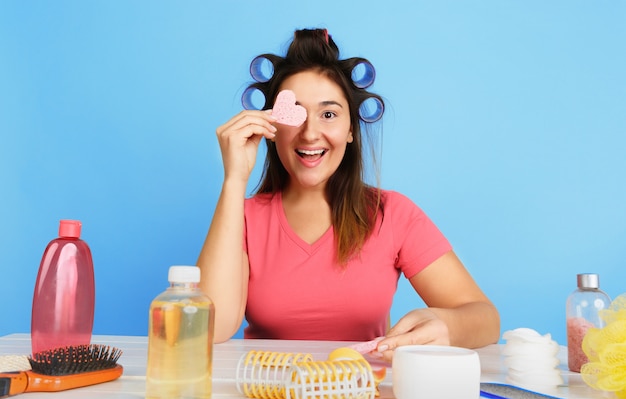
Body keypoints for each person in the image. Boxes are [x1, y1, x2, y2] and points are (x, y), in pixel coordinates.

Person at [197, 28, 500, 361]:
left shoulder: (393, 214)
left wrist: (447, 324)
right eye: (295, 114)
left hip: (362, 398)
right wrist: (234, 179)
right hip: (267, 397)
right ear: (271, 127)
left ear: (352, 129)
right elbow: (211, 329)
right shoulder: (243, 218)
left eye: (328, 114)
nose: (310, 133)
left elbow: (486, 320)